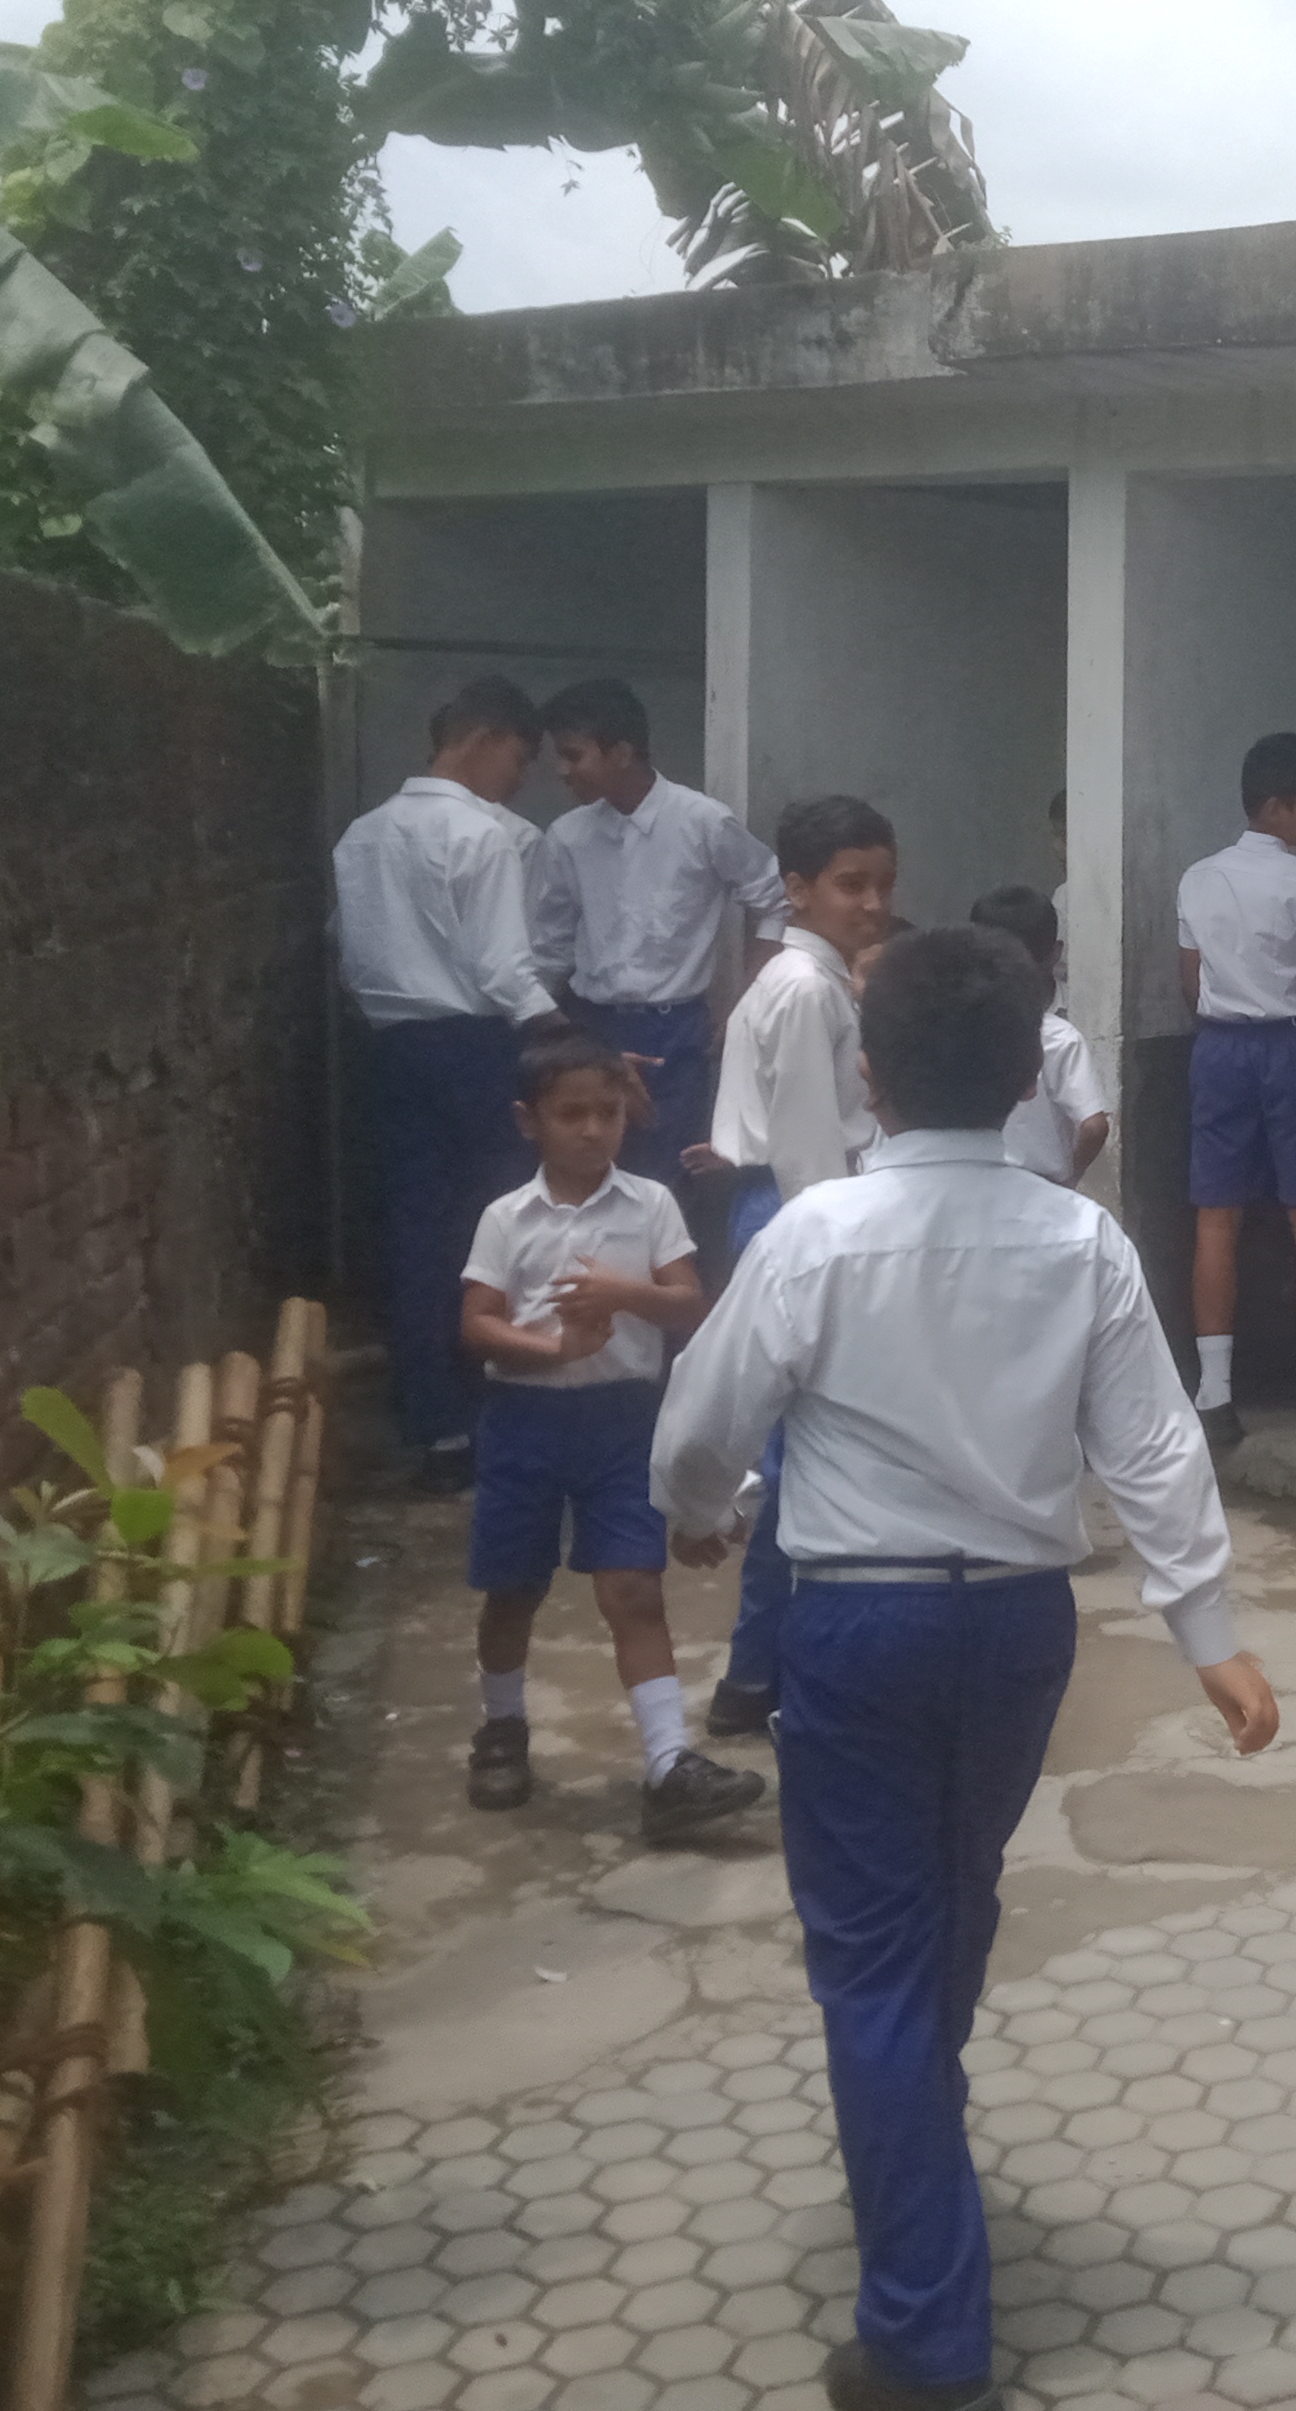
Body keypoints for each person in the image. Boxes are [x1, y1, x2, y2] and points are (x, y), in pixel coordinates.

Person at [652, 927, 1280, 2411]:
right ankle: (915, 2137)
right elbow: (1152, 1447)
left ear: (870, 1073)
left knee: (875, 1953)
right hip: (1014, 1629)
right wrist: (1210, 1636)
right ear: (1023, 1080)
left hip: (857, 1626)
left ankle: (926, 2339)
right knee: (952, 1896)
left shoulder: (812, 1234)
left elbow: (700, 1424)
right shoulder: (1081, 1241)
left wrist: (697, 1513)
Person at [454, 1034, 765, 1841]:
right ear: (530, 1120)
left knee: (634, 1587)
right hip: (524, 1419)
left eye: (609, 1112)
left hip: (623, 1422)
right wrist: (556, 1349)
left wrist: (621, 1294)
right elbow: (478, 1324)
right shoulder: (507, 1218)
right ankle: (502, 1726)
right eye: (572, 1114)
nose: (594, 1129)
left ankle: (667, 1762)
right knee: (512, 1588)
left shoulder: (651, 1205)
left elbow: (690, 1303)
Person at [333, 675, 564, 1492]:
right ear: (482, 739)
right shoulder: (481, 835)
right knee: (508, 1225)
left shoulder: (360, 837)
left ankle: (437, 1429)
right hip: (474, 1044)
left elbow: (348, 950)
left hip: (391, 1045)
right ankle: (517, 1404)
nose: (521, 778)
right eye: (520, 757)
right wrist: (568, 1039)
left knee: (418, 1235)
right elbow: (504, 970)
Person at [698, 795, 897, 1739]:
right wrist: (841, 1260)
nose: (873, 904)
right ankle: (757, 1672)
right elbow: (814, 1154)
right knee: (800, 1461)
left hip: (775, 1207)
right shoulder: (808, 989)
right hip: (798, 1211)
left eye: (884, 884)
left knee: (798, 1453)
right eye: (852, 885)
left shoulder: (797, 979)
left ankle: (761, 1671)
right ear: (797, 888)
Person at [531, 677, 787, 1261]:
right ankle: (590, 1299)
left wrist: (749, 1000)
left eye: (574, 755)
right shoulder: (567, 837)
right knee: (584, 1171)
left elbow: (772, 895)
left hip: (675, 1032)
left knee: (669, 1182)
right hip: (589, 1025)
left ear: (622, 751)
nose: (563, 772)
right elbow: (548, 947)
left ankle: (665, 1309)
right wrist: (551, 1035)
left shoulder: (702, 822)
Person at [1178, 732, 1296, 1448]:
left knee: (1214, 1219)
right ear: (1279, 806)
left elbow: (1189, 982)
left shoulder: (1198, 879)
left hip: (1217, 1049)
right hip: (1293, 1048)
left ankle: (1215, 1393)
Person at [968, 883, 1108, 1191]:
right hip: (1041, 1187)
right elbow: (1095, 1126)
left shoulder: (957, 1027)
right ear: (1054, 952)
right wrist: (1070, 1176)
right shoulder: (1060, 1036)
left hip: (974, 1183)